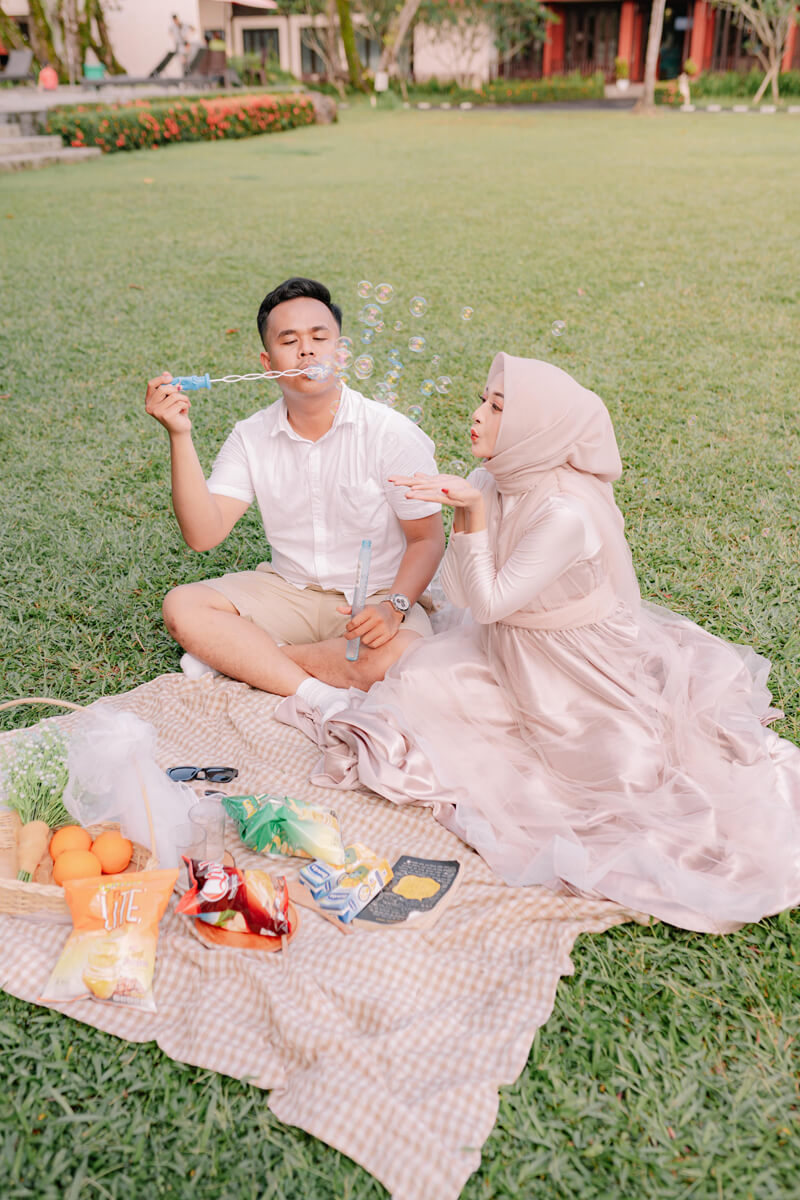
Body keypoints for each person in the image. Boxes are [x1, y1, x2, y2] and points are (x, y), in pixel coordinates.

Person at [277, 353, 800, 934]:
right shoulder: (491, 479)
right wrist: (469, 511)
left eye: (498, 407)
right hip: (508, 644)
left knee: (610, 776)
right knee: (419, 686)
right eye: (483, 400)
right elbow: (461, 593)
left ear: (535, 428)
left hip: (576, 666)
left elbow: (488, 603)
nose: (478, 415)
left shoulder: (564, 513)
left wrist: (471, 512)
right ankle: (274, 659)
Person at [145, 277, 444, 718]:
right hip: (288, 590)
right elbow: (203, 535)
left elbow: (427, 539)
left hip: (376, 595)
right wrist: (179, 435)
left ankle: (251, 659)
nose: (307, 351)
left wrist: (394, 607)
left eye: (320, 338)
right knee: (183, 606)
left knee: (405, 658)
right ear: (268, 364)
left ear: (341, 352)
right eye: (290, 341)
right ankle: (317, 692)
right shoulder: (250, 436)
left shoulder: (391, 432)